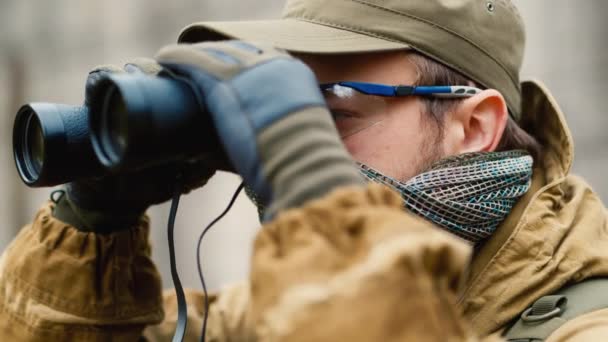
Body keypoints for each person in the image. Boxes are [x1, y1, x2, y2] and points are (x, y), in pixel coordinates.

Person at [1, 0, 607, 341]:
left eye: (328, 113)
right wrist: (95, 226)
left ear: (472, 127)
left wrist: (312, 181)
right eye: (286, 106)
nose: (291, 144)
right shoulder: (273, 318)